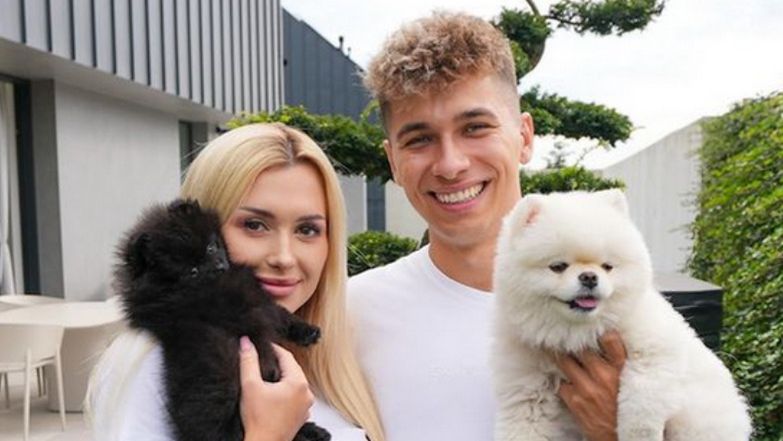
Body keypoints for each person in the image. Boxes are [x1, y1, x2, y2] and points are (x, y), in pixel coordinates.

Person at [348, 11, 626, 441]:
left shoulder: (619, 305)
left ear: (524, 137)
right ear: (393, 162)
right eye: (419, 139)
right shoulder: (350, 315)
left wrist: (619, 429)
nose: (451, 164)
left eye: (475, 128)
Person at [88, 123, 385, 441]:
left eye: (307, 230)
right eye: (254, 225)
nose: (284, 257)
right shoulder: (154, 365)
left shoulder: (334, 360)